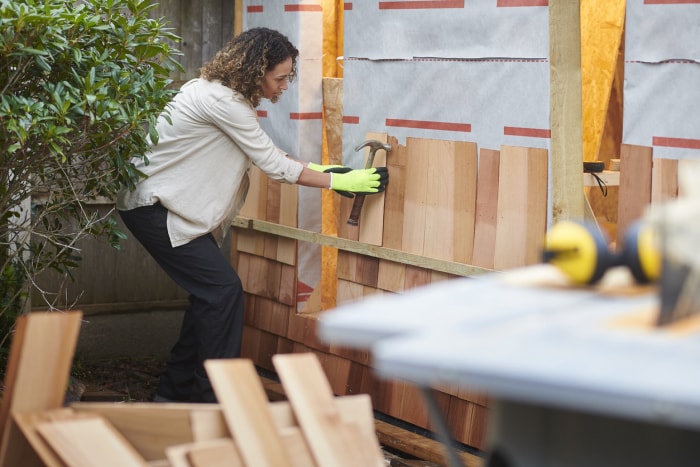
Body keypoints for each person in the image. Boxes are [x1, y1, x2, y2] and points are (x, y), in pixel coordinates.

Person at [116, 27, 388, 403]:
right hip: (155, 209)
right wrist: (335, 181)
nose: (282, 87)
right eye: (279, 78)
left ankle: (175, 393)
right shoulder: (222, 103)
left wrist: (331, 173)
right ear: (256, 69)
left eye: (287, 78)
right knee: (223, 290)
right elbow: (273, 163)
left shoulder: (216, 94)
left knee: (210, 295)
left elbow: (267, 153)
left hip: (160, 206)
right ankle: (215, 398)